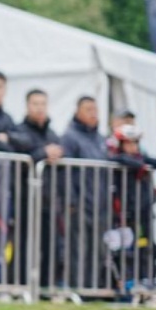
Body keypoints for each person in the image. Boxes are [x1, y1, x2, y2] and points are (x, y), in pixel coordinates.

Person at [7, 89, 65, 287]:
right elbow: (19, 158)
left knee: (50, 245)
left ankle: (47, 287)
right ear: (27, 106)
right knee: (23, 243)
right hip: (25, 198)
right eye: (35, 104)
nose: (40, 108)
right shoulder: (19, 130)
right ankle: (20, 285)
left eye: (43, 104)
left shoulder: (53, 134)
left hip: (49, 199)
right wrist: (42, 153)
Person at [107, 124, 156, 292]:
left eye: (135, 143)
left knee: (146, 246)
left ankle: (146, 278)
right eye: (128, 143)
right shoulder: (117, 159)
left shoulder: (142, 158)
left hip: (145, 211)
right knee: (126, 249)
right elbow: (118, 159)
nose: (132, 147)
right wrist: (138, 166)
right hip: (125, 214)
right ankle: (127, 281)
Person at [60, 96, 109, 290]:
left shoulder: (101, 139)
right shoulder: (70, 136)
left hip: (100, 203)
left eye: (94, 109)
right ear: (77, 111)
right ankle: (78, 288)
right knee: (79, 248)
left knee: (98, 249)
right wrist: (71, 200)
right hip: (79, 202)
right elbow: (66, 172)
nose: (92, 113)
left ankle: (94, 288)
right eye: (88, 109)